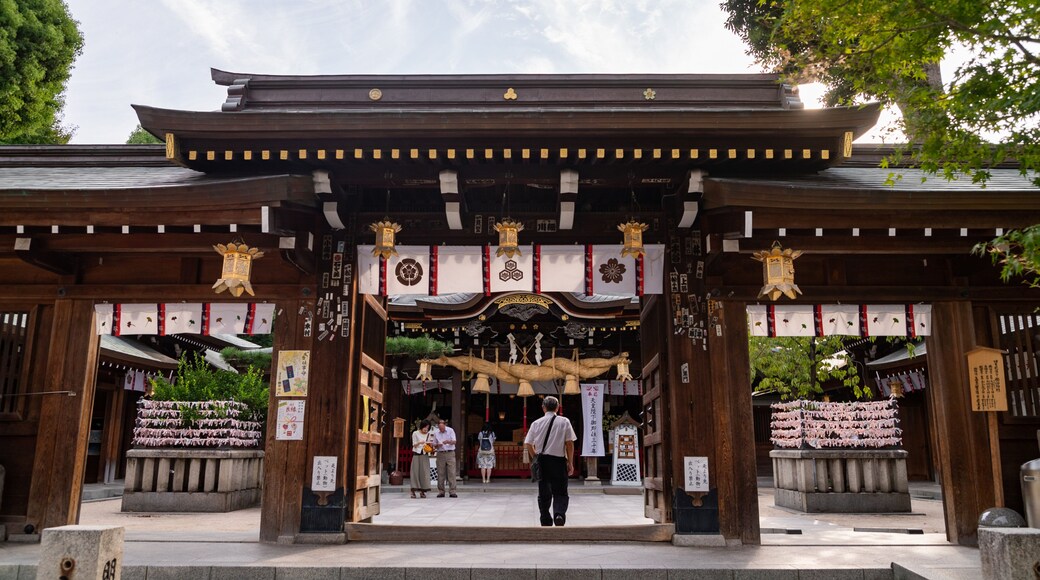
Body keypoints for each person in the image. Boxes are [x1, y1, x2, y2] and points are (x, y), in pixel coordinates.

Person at [523, 396, 577, 527]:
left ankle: (546, 519)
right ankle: (559, 514)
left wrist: (535, 456)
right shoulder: (564, 422)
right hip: (558, 461)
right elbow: (569, 444)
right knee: (560, 491)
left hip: (542, 460)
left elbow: (528, 443)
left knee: (544, 492)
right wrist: (570, 462)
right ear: (557, 408)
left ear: (543, 408)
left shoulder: (536, 423)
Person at [431, 419, 458, 497]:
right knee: (440, 472)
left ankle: (452, 491)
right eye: (440, 428)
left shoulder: (450, 430)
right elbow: (434, 444)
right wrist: (437, 445)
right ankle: (441, 491)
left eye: (442, 428)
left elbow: (454, 441)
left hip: (450, 453)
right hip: (440, 453)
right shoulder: (436, 432)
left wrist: (448, 441)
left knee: (451, 472)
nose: (441, 429)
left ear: (445, 425)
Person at [409, 420, 433, 499]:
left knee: (424, 473)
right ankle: (413, 491)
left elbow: (430, 445)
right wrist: (420, 442)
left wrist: (430, 444)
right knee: (415, 472)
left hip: (424, 455)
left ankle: (423, 491)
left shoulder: (429, 434)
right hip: (416, 455)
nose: (426, 429)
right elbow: (414, 445)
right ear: (422, 426)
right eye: (425, 427)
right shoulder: (415, 433)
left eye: (428, 427)